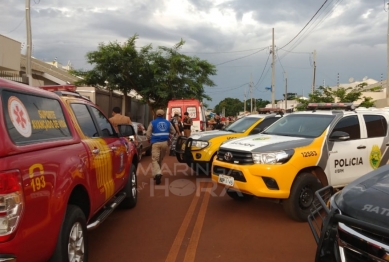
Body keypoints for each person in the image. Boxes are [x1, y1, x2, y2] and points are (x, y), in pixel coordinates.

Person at [146, 109, 175, 185]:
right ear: (163, 115)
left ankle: (158, 173)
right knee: (160, 159)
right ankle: (156, 175)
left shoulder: (152, 122)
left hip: (155, 143)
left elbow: (148, 134)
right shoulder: (168, 122)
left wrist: (149, 139)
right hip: (165, 143)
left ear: (156, 114)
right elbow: (174, 132)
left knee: (155, 159)